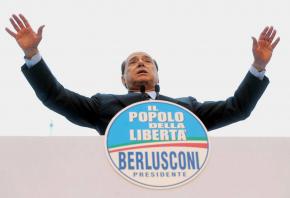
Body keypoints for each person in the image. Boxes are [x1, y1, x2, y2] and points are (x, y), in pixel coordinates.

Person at [6, 14, 280, 135]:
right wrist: (33, 55)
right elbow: (54, 96)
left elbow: (239, 108)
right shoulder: (103, 105)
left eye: (147, 60)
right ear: (123, 80)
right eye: (132, 62)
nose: (140, 63)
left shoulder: (186, 108)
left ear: (158, 76)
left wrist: (258, 66)